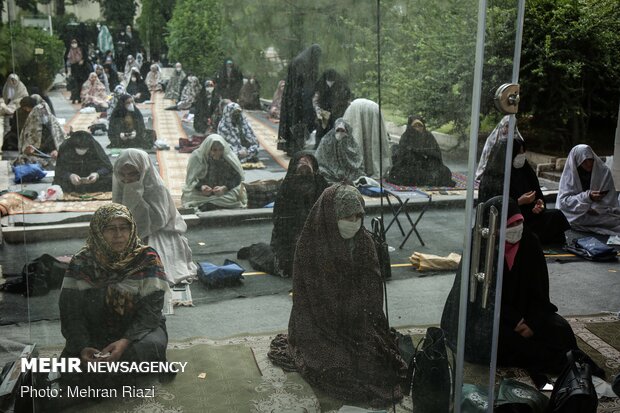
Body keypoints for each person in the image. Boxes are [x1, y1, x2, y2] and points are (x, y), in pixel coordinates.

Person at [268, 184, 407, 405]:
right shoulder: (311, 244)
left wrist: (358, 313)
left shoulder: (363, 241)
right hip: (318, 322)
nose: (353, 223)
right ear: (331, 216)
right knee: (336, 368)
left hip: (357, 320)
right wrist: (343, 309)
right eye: (347, 217)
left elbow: (372, 286)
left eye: (358, 217)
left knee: (377, 364)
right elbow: (311, 297)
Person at [441, 196, 605, 377]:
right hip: (489, 316)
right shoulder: (481, 246)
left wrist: (532, 323)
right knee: (497, 341)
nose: (516, 229)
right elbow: (478, 297)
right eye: (510, 225)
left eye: (519, 222)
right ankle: (562, 361)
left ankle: (558, 358)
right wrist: (515, 321)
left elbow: (540, 291)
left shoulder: (529, 241)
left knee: (561, 329)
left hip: (526, 312)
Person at [59, 204, 169, 386]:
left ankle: (98, 380)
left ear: (132, 228)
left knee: (150, 347)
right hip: (95, 333)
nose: (118, 234)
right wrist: (83, 346)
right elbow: (71, 312)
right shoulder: (81, 262)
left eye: (124, 227)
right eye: (110, 228)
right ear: (98, 232)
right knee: (71, 362)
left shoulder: (147, 258)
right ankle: (109, 376)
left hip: (137, 333)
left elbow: (151, 312)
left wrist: (124, 342)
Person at [113, 149, 197, 284]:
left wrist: (136, 197)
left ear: (143, 170)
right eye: (122, 174)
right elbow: (117, 211)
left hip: (158, 231)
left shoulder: (156, 188)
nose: (127, 178)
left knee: (152, 264)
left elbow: (159, 220)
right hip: (129, 231)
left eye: (132, 174)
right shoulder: (121, 184)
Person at [479, 138, 570, 244]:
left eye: (523, 152)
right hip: (508, 221)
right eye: (519, 153)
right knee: (521, 231)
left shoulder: (525, 170)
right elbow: (491, 207)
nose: (522, 156)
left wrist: (539, 205)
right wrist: (518, 202)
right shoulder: (493, 177)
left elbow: (538, 196)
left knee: (556, 216)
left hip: (528, 216)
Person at [271, 151, 329, 277]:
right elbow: (281, 223)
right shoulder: (287, 187)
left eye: (307, 166)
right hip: (291, 237)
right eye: (300, 166)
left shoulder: (320, 184)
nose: (303, 174)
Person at [556, 144, 620, 235]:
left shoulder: (603, 172)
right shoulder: (570, 175)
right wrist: (588, 197)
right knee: (564, 217)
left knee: (614, 220)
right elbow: (563, 202)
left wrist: (596, 207)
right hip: (577, 214)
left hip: (599, 213)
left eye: (591, 160)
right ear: (577, 161)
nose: (589, 164)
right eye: (585, 161)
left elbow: (610, 201)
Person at [181, 134, 247, 210]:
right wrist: (201, 187)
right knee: (189, 196)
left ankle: (209, 204)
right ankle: (216, 204)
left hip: (223, 193)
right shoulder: (198, 157)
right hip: (202, 194)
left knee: (234, 196)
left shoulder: (228, 157)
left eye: (220, 150)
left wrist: (225, 188)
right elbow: (191, 181)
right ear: (208, 149)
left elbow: (237, 178)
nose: (217, 153)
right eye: (214, 150)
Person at [278, 44, 322, 155]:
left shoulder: (301, 60)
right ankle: (295, 147)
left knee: (292, 121)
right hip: (297, 99)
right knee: (297, 121)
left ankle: (290, 147)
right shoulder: (304, 63)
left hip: (293, 97)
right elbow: (305, 83)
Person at [388, 115, 455, 187]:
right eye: (415, 126)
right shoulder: (406, 137)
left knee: (445, 172)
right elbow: (403, 156)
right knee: (407, 174)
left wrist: (425, 154)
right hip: (411, 165)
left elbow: (436, 154)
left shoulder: (428, 136)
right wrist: (415, 153)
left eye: (420, 126)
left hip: (427, 165)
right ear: (410, 127)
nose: (417, 128)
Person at [342, 98, 392, 179]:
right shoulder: (355, 104)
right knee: (374, 139)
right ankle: (373, 168)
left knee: (357, 137)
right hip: (375, 108)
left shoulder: (351, 108)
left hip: (362, 109)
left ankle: (362, 167)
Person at [315, 118, 365, 184]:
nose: (340, 133)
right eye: (338, 130)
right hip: (329, 172)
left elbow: (358, 162)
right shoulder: (326, 141)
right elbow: (319, 159)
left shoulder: (352, 144)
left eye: (342, 131)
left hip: (348, 173)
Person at [312, 69, 352, 148]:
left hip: (338, 114)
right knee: (321, 132)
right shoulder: (320, 85)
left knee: (337, 134)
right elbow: (315, 100)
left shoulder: (342, 86)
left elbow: (348, 101)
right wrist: (319, 112)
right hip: (324, 114)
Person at [18, 99, 66, 165]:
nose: (44, 116)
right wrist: (28, 149)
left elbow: (62, 140)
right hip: (38, 154)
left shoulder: (53, 124)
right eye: (41, 114)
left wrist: (57, 150)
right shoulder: (32, 124)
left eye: (45, 113)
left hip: (52, 153)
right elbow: (26, 144)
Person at [476, 115, 524, 180]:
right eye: (507, 126)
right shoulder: (493, 139)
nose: (508, 129)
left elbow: (520, 161)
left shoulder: (517, 141)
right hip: (495, 168)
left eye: (511, 126)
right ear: (502, 126)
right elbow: (487, 157)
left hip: (512, 170)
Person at [1, 74, 28, 148]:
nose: (12, 82)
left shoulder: (21, 86)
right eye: (11, 80)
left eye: (14, 80)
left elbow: (24, 96)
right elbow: (5, 96)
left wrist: (15, 101)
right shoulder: (7, 86)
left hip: (18, 103)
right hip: (10, 104)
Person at [66, 39, 91, 104]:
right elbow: (68, 61)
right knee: (74, 85)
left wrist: (82, 60)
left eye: (75, 42)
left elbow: (86, 58)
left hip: (82, 70)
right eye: (72, 42)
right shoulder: (70, 51)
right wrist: (68, 71)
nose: (74, 44)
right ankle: (74, 98)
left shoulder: (81, 50)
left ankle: (81, 98)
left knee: (82, 85)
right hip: (74, 70)